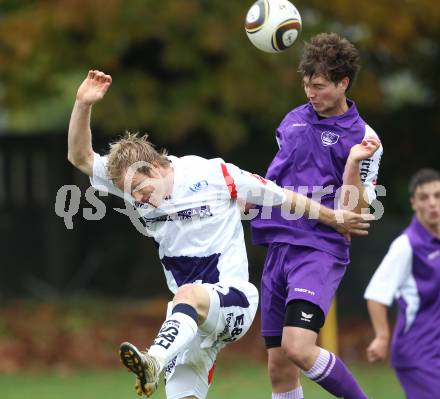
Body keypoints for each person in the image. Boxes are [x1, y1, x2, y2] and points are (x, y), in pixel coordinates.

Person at [67, 70, 373, 399]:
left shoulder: (213, 173)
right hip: (187, 325)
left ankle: (153, 360)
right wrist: (82, 103)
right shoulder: (130, 182)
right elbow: (81, 158)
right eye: (131, 193)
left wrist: (334, 217)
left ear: (155, 167)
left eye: (140, 189)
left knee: (187, 294)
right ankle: (158, 360)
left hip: (233, 300)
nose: (136, 199)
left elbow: (284, 198)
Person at [250, 32, 383, 399]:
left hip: (317, 251)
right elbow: (275, 183)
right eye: (307, 85)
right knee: (279, 368)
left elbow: (353, 215)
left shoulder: (363, 137)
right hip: (279, 247)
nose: (311, 93)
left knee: (299, 347)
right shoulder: (292, 120)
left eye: (320, 86)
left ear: (343, 83)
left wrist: (354, 163)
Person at [364, 168, 440, 399]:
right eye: (424, 198)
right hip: (418, 353)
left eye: (437, 196)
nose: (432, 203)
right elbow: (376, 293)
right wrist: (382, 337)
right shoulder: (407, 245)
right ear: (413, 203)